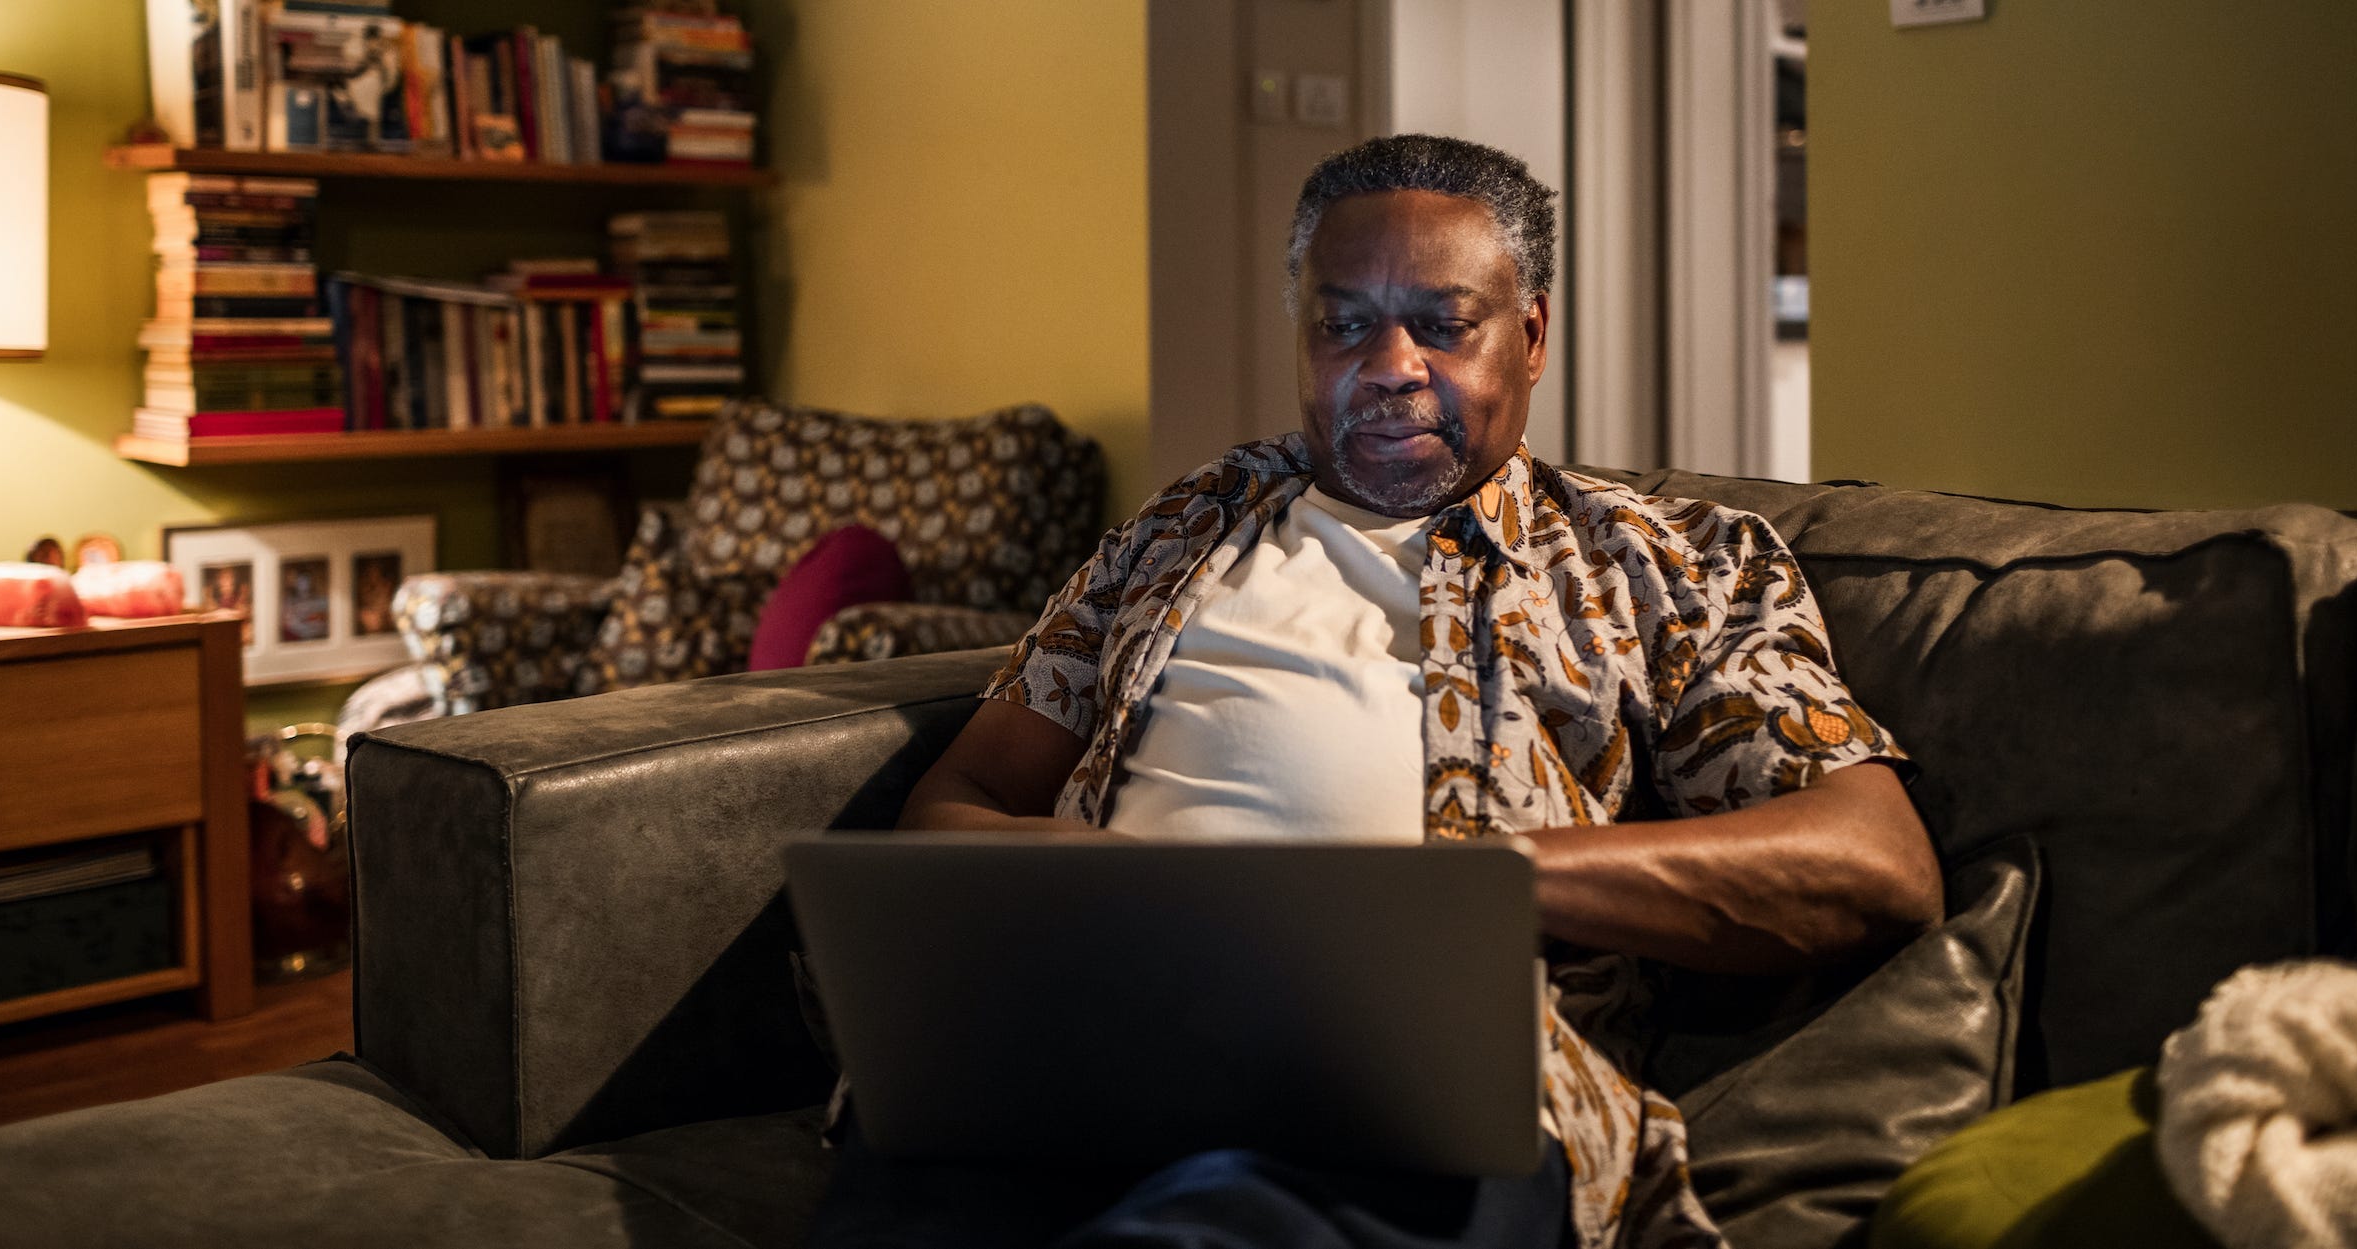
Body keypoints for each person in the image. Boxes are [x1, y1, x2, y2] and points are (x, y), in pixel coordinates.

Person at [819, 134, 1943, 1249]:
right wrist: (1068, 873)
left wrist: (1466, 889)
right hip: (1097, 1018)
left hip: (1408, 1080)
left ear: (1532, 334)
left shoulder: (1661, 562)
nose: (1389, 364)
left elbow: (1871, 861)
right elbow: (962, 792)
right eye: (1343, 321)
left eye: (1444, 326)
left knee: (1224, 1225)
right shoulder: (1185, 523)